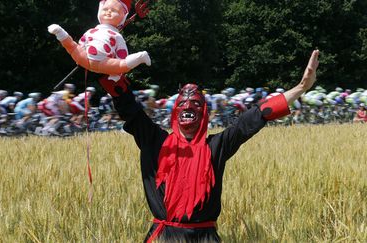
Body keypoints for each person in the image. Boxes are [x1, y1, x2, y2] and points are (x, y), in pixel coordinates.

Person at [97, 50, 319, 242]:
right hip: (164, 237)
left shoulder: (216, 146)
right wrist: (101, 63)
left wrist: (301, 87)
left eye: (195, 103)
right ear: (175, 111)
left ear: (203, 114)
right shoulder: (155, 141)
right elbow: (129, 109)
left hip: (205, 238)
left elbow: (254, 117)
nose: (188, 105)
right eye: (183, 102)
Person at [48, 0, 151, 82]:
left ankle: (141, 56)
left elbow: (122, 54)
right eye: (105, 9)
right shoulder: (91, 31)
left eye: (114, 10)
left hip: (104, 62)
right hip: (85, 58)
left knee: (121, 65)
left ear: (122, 18)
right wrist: (80, 54)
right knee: (72, 47)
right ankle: (60, 32)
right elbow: (81, 43)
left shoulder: (116, 35)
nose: (108, 11)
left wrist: (118, 72)